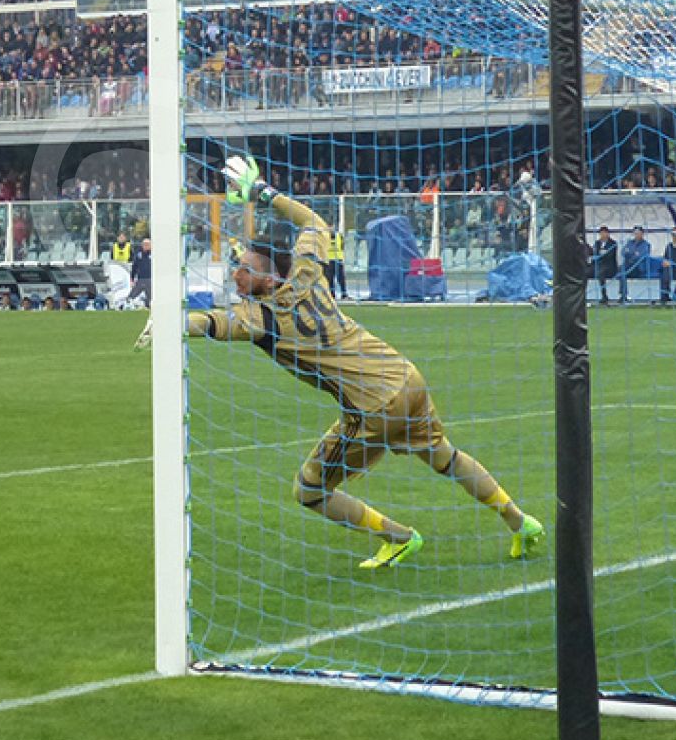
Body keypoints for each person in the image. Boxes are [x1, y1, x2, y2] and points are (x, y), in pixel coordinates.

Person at [144, 157, 543, 567]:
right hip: (404, 375)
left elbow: (214, 323)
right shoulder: (307, 271)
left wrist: (173, 324)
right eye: (236, 266)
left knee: (309, 490)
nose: (236, 274)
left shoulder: (263, 317)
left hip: (370, 404)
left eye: (244, 269)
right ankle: (520, 521)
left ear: (270, 279)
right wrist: (265, 193)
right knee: (444, 456)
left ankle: (399, 537)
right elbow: (314, 223)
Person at [619, 227, 650, 304]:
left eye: (638, 233)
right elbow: (623, 252)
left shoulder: (646, 244)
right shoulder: (629, 242)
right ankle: (624, 295)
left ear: (642, 234)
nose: (637, 235)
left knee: (623, 272)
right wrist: (634, 253)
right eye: (635, 233)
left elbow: (641, 256)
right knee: (621, 272)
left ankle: (624, 296)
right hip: (628, 266)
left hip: (638, 268)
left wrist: (630, 253)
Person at [590, 226, 619, 304]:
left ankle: (604, 296)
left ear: (608, 234)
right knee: (585, 272)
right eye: (601, 233)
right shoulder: (597, 243)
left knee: (601, 274)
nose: (602, 235)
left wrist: (601, 254)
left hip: (609, 267)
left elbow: (609, 255)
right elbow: (595, 253)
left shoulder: (613, 243)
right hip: (598, 266)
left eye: (604, 233)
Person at [130, 237, 153, 308]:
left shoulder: (154, 254)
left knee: (150, 296)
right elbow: (134, 267)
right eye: (144, 244)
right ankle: (128, 304)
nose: (146, 246)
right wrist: (132, 278)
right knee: (132, 296)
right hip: (141, 279)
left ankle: (148, 306)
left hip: (150, 279)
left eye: (147, 244)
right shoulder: (139, 255)